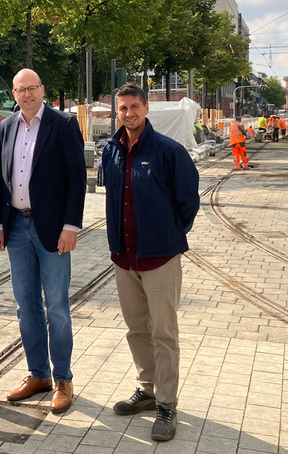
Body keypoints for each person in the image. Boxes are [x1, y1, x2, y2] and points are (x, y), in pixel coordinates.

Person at [98, 83, 199, 442]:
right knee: (137, 328)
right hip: (123, 258)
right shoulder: (110, 151)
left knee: (164, 332)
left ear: (146, 108)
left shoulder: (169, 151)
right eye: (122, 108)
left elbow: (188, 202)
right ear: (117, 111)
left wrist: (167, 235)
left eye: (135, 106)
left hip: (159, 258)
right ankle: (148, 388)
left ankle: (168, 404)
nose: (129, 113)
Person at [0, 69, 86, 414]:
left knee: (57, 307)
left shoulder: (63, 125)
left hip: (52, 230)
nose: (27, 94)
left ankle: (63, 378)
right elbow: (0, 180)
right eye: (21, 89)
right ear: (14, 94)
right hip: (16, 226)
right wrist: (0, 223)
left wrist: (71, 226)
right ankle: (38, 375)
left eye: (32, 88)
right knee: (25, 306)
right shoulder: (6, 126)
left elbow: (77, 179)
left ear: (42, 90)